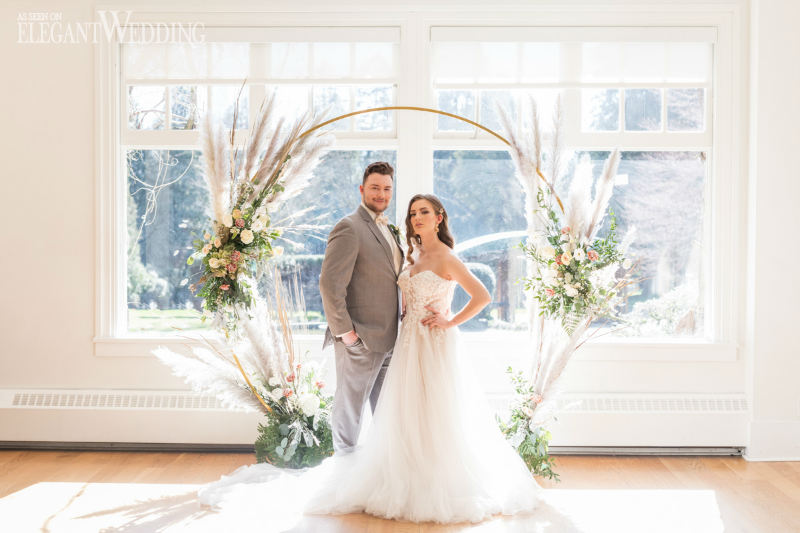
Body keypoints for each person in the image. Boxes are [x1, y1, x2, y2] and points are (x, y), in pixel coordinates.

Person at [198, 193, 543, 525]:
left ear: (439, 218)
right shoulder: (414, 257)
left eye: (424, 212)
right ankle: (405, 475)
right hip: (407, 340)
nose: (417, 218)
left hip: (434, 343)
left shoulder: (446, 257)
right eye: (412, 213)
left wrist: (449, 320)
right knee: (406, 412)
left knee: (435, 410)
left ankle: (436, 481)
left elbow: (481, 295)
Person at [318, 161, 404, 453]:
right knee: (350, 409)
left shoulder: (389, 230)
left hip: (391, 338)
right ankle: (343, 474)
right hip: (361, 338)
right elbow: (330, 285)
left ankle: (376, 475)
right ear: (362, 189)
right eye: (375, 188)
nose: (381, 194)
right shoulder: (349, 227)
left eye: (387, 189)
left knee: (386, 411)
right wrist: (346, 334)